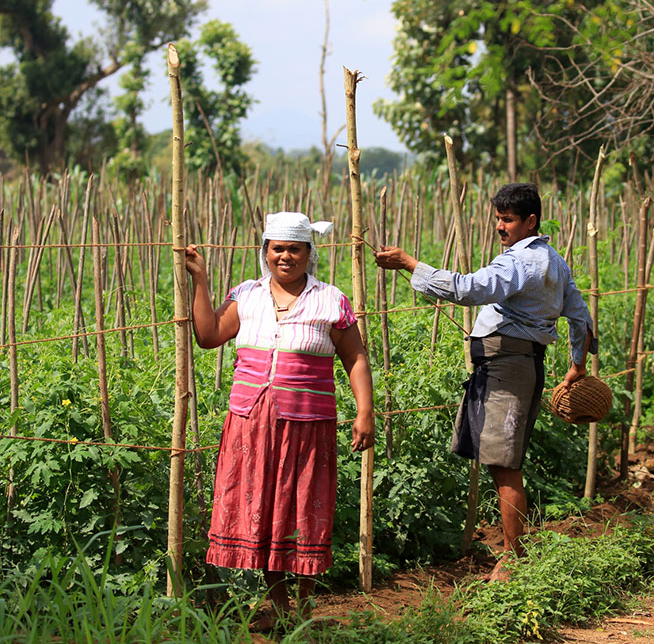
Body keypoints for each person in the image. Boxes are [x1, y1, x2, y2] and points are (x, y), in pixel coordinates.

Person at [374, 182, 596, 582]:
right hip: (516, 365)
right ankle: (516, 553)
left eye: (508, 219)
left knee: (503, 463)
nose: (500, 226)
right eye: (497, 218)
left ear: (531, 221)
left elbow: (467, 289)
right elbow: (580, 316)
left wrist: (411, 264)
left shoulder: (518, 263)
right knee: (501, 462)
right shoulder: (555, 261)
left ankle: (514, 560)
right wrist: (577, 364)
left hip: (508, 368)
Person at [185, 211, 374, 627]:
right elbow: (208, 335)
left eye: (294, 249)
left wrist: (365, 412)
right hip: (251, 422)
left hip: (307, 425)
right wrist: (199, 279)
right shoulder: (247, 295)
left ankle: (305, 606)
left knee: (302, 508)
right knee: (266, 508)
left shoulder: (330, 300)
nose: (285, 257)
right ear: (264, 252)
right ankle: (280, 605)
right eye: (277, 249)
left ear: (310, 253)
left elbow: (355, 358)